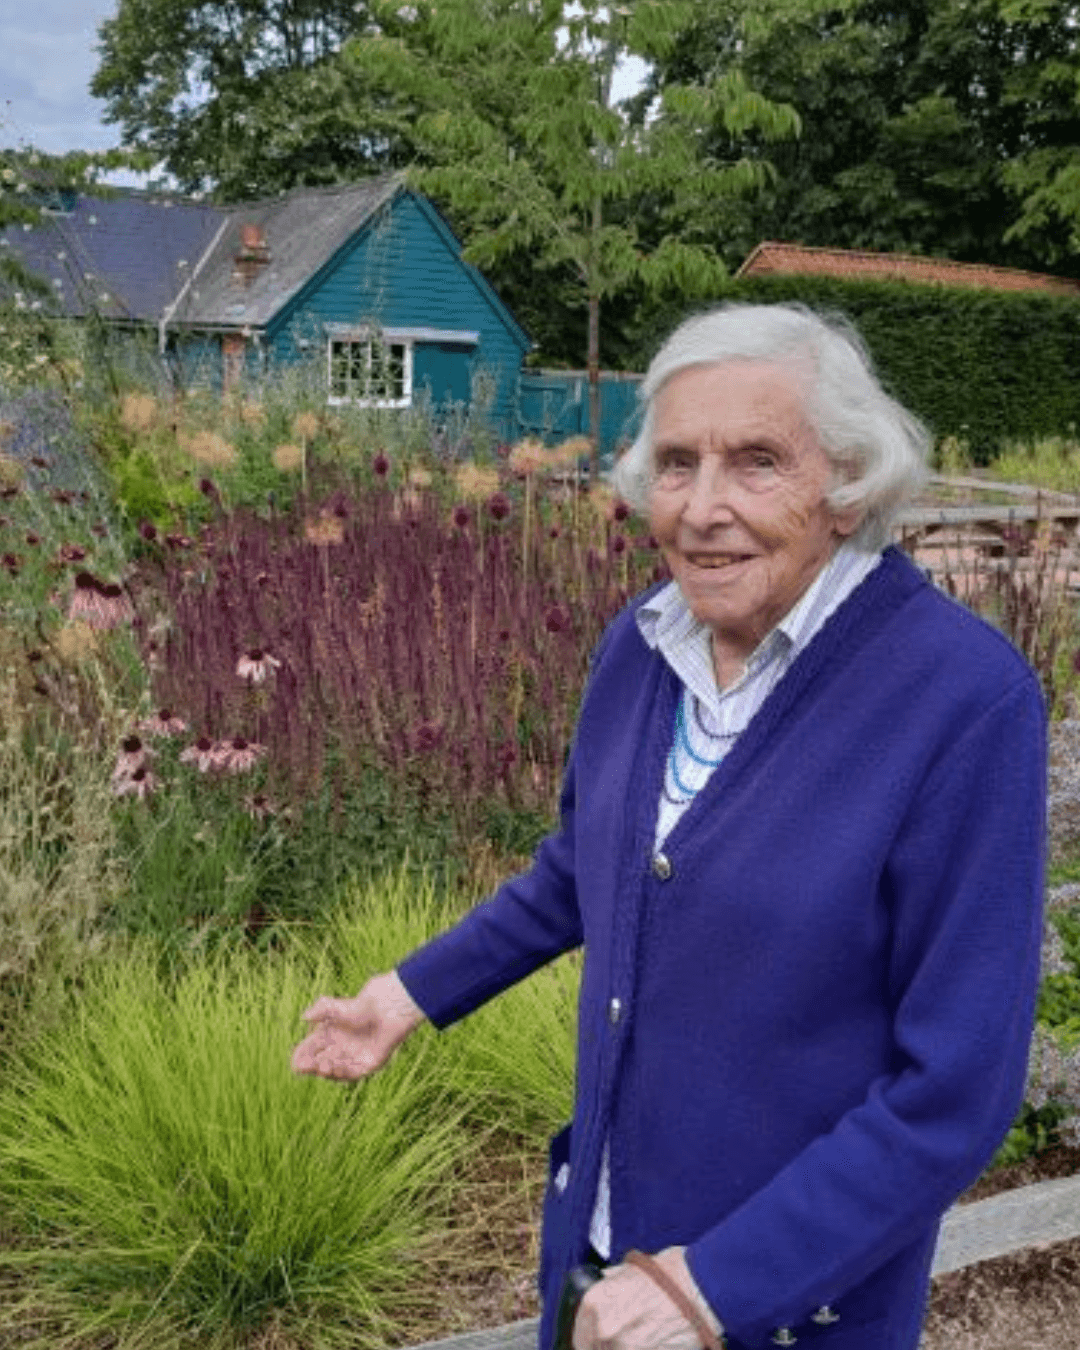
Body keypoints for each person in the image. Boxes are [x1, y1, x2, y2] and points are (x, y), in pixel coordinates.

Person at [292, 302, 1047, 1350]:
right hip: (601, 1259)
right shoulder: (643, 648)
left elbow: (957, 1091)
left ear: (847, 483)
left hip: (786, 1302)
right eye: (678, 463)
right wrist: (409, 995)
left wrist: (717, 1286)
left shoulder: (960, 700)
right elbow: (578, 871)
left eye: (756, 462)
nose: (702, 507)